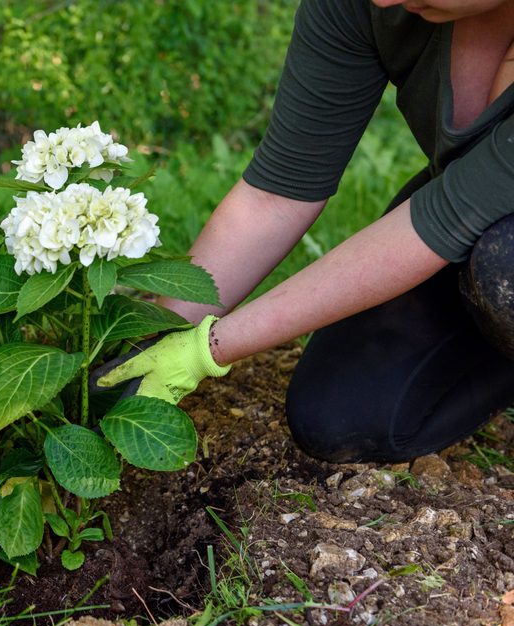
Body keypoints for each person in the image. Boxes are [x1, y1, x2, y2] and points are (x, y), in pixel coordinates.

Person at [92, 0, 514, 463]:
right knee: (340, 414)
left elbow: (438, 223)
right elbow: (277, 193)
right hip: (475, 216)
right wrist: (157, 331)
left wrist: (204, 350)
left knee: (504, 263)